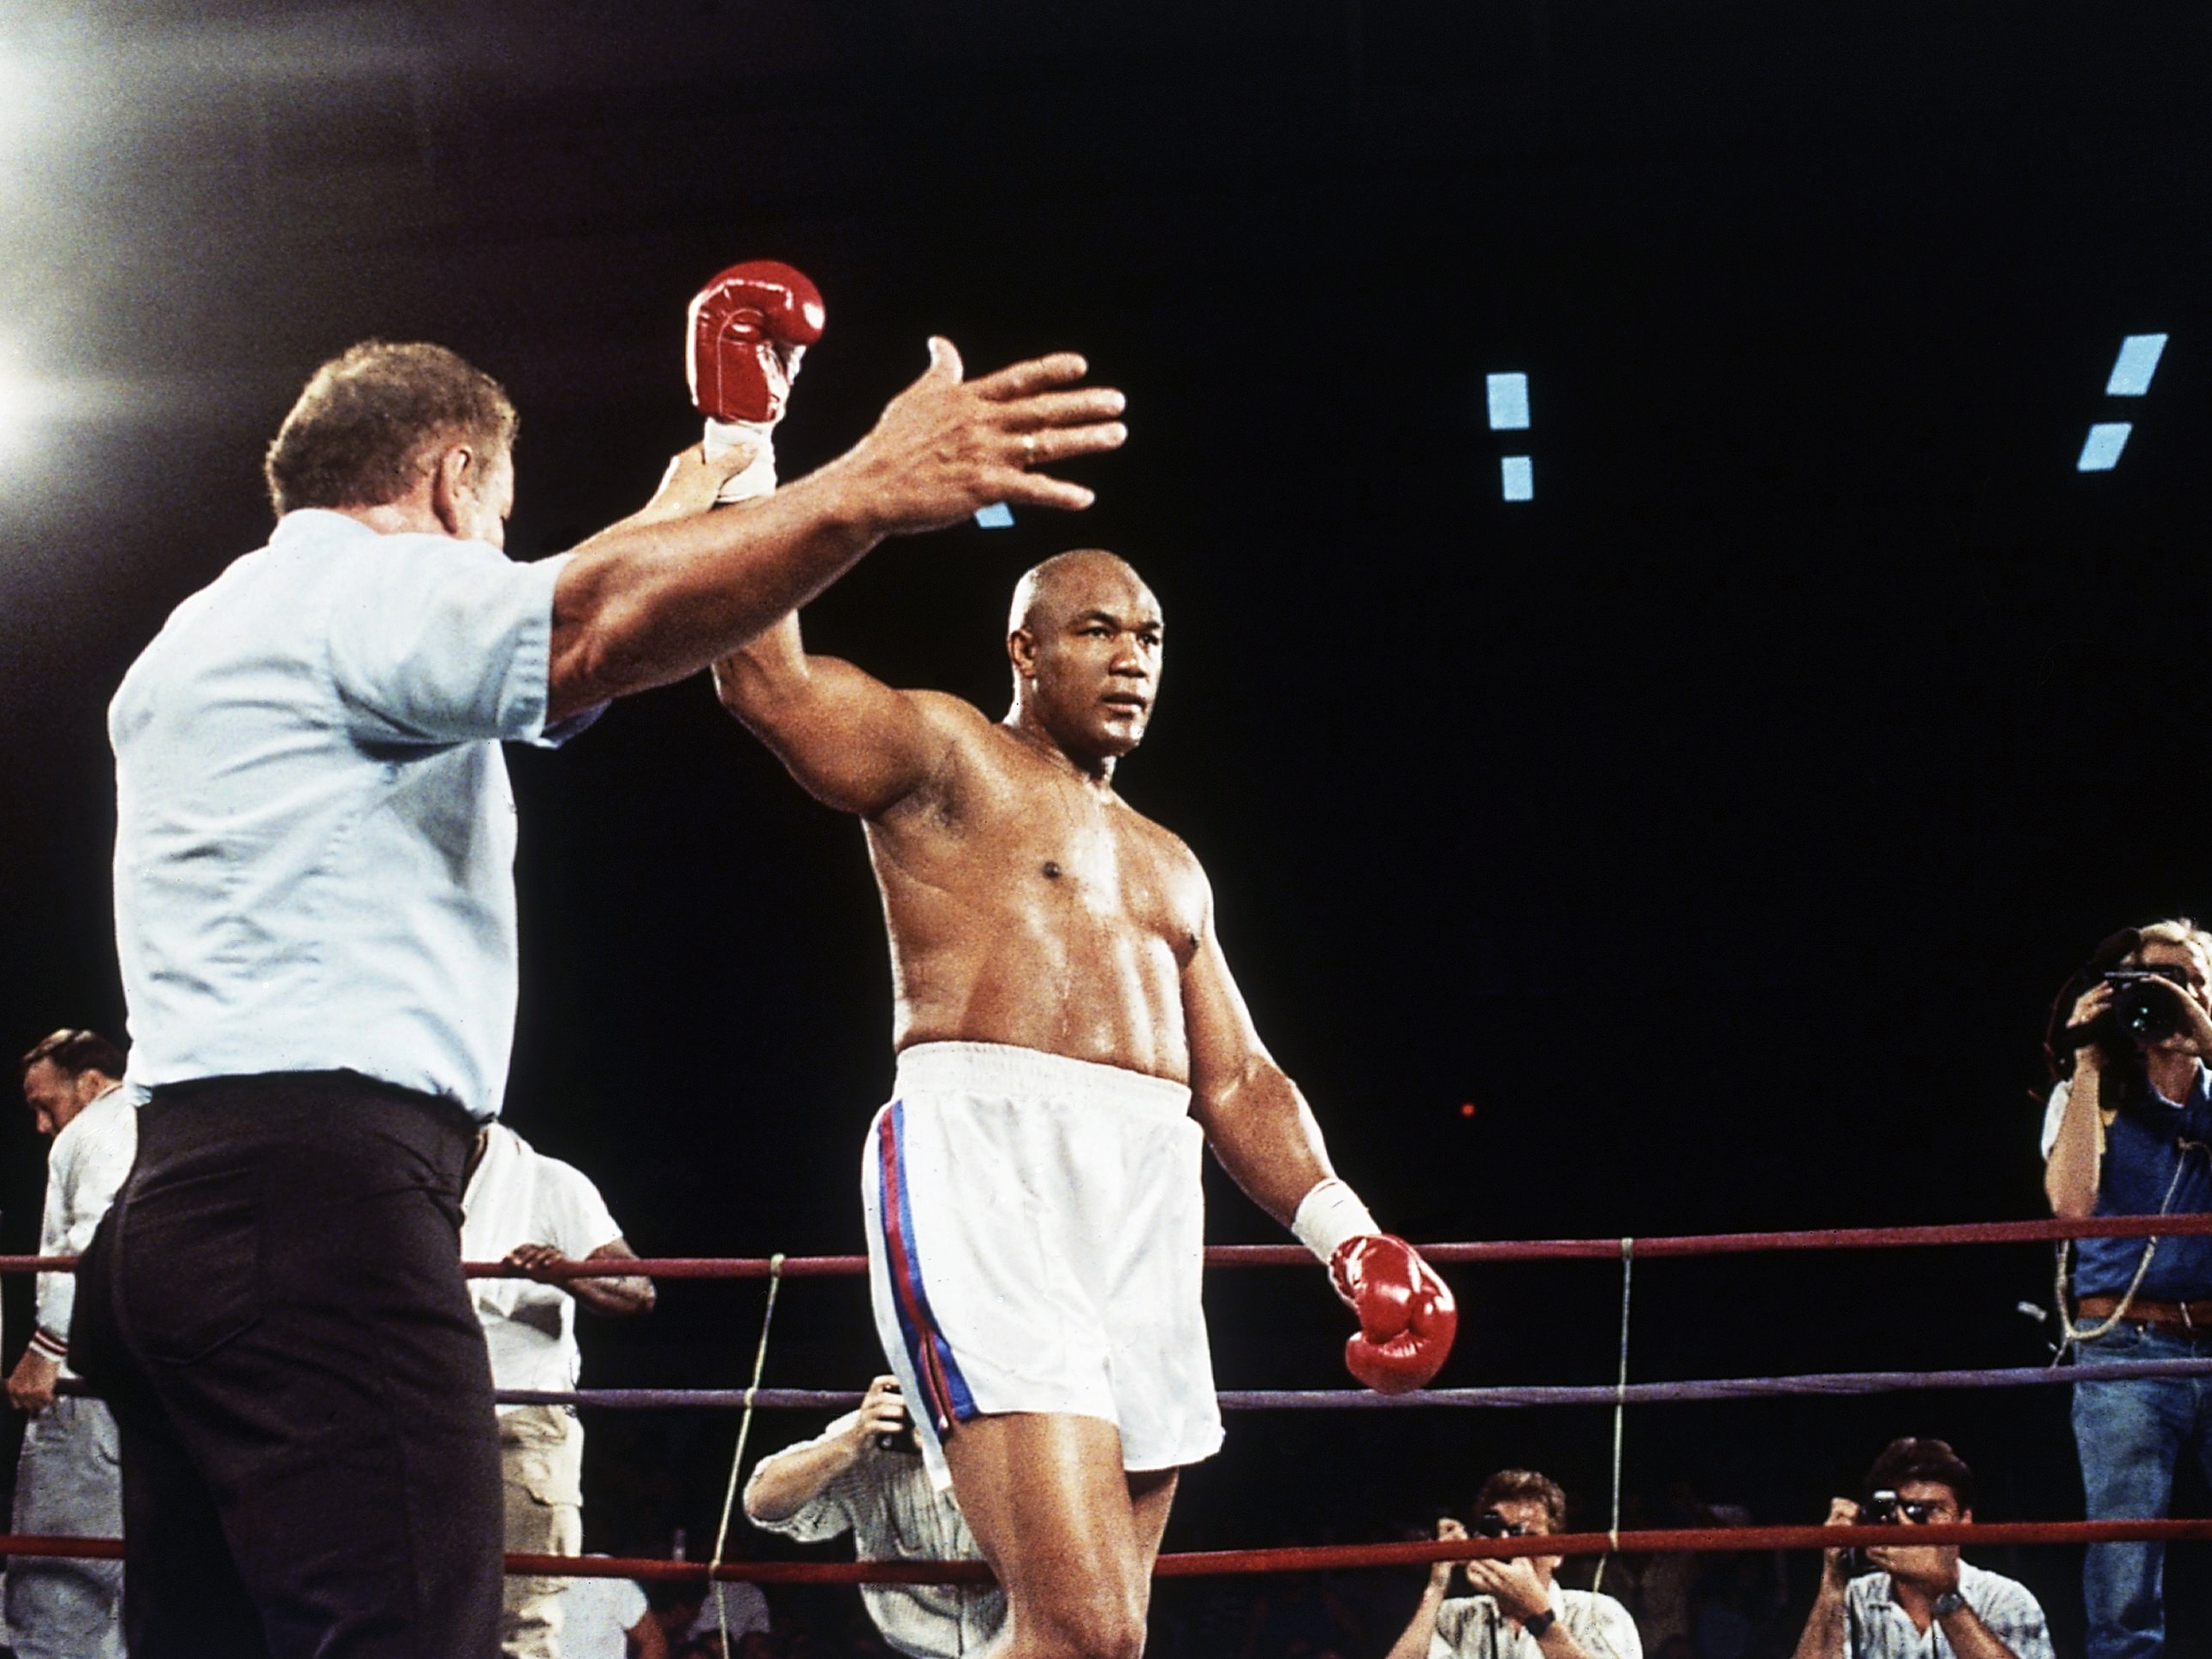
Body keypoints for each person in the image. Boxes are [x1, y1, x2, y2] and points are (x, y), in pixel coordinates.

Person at [69, 330, 1127, 1659]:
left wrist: (725, 461)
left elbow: (597, 586)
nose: (500, 555)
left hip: (172, 1215)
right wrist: (870, 482)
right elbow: (590, 622)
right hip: (318, 1210)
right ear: (456, 479)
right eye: (497, 518)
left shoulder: (214, 624)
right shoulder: (366, 593)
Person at [715, 548, 1458, 1659]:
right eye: (1099, 630)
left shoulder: (1170, 862)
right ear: (1026, 648)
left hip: (1147, 1196)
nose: (1132, 659)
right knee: (1082, 1629)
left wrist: (1351, 1240)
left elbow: (1240, 1078)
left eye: (1150, 637)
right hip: (988, 1160)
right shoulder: (951, 753)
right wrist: (742, 453)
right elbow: (765, 682)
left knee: (1102, 1642)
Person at [2044, 920, 2212, 1659]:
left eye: (2197, 979)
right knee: (2124, 1571)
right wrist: (2085, 1060)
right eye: (2165, 979)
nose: (2182, 994)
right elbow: (2071, 1207)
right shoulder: (2091, 1088)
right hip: (2123, 1349)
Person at [462, 1121, 656, 1659]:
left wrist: (564, 1273)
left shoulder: (548, 1183)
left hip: (522, 1420)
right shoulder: (401, 1186)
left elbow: (637, 1291)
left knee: (521, 1625)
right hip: (417, 1422)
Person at [6, 1030, 134, 1659]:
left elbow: (90, 1241)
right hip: (147, 1375)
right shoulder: (158, 1124)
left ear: (88, 1083)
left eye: (44, 1104)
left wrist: (46, 1348)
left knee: (58, 1562)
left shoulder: (98, 1129)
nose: (39, 1125)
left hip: (89, 1375)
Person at [744, 1374, 1005, 1658]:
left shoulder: (1026, 1430)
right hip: (907, 1648)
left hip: (1024, 1646)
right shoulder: (880, 1424)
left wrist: (955, 1453)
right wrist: (851, 1443)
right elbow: (763, 1505)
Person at [1792, 1438, 2052, 1659]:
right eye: (1902, 1511)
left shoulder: (2005, 1598)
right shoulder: (1854, 1598)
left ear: (1965, 1520)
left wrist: (1942, 1596)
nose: (1912, 1528)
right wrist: (1833, 1577)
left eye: (1931, 1511)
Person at [1386, 1469, 1640, 1659]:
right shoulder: (1453, 1617)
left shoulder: (1598, 1613)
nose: (1508, 1547)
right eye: (1495, 1533)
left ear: (1558, 1553)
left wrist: (1539, 1617)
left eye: (1528, 1538)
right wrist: (1437, 1586)